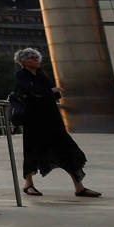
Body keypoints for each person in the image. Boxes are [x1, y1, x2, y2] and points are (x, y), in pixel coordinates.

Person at [10, 48, 99, 198]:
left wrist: (45, 92)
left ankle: (79, 187)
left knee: (67, 150)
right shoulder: (21, 75)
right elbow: (32, 91)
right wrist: (47, 92)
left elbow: (54, 93)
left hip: (52, 118)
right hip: (34, 120)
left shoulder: (41, 75)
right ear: (23, 61)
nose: (35, 60)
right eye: (31, 58)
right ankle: (28, 184)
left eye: (36, 57)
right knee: (32, 151)